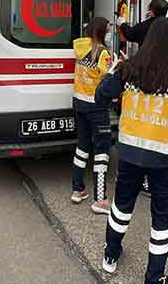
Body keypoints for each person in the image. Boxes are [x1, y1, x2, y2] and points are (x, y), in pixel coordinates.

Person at [95, 18, 168, 284]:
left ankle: (111, 256)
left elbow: (100, 97)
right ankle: (154, 277)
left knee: (122, 205)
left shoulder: (128, 69)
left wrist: (112, 71)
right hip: (165, 160)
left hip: (128, 155)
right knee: (163, 217)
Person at [117, 0, 168, 195]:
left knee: (143, 130)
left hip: (146, 76)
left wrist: (122, 23)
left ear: (151, 10)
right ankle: (154, 178)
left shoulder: (149, 26)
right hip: (165, 80)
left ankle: (141, 177)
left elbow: (130, 34)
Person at [71, 17, 113, 215]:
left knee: (82, 147)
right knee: (102, 151)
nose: (109, 33)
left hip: (79, 102)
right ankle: (100, 199)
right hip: (96, 107)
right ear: (101, 31)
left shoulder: (80, 46)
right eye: (108, 29)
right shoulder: (102, 52)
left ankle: (77, 189)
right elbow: (107, 79)